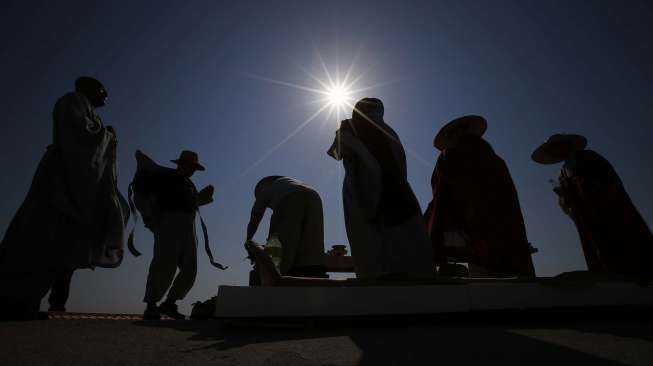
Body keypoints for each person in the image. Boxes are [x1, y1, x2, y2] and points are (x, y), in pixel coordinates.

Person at [0, 76, 129, 320]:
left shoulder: (91, 113)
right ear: (89, 89)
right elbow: (80, 137)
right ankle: (23, 299)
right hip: (61, 184)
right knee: (45, 241)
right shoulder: (72, 102)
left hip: (80, 189)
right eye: (102, 90)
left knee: (70, 247)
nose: (106, 96)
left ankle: (57, 303)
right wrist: (108, 136)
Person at [327, 98, 434, 279]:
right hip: (400, 197)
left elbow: (335, 153)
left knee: (372, 250)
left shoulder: (350, 127)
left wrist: (345, 135)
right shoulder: (391, 132)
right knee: (407, 253)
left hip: (365, 192)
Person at [424, 115, 535, 277]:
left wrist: (434, 233)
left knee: (485, 281)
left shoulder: (450, 155)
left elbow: (442, 196)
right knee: (512, 275)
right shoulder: (495, 159)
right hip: (507, 233)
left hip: (475, 234)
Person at [532, 134, 652, 281]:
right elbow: (567, 201)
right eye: (553, 149)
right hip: (588, 219)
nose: (556, 151)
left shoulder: (589, 157)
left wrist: (583, 188)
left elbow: (608, 181)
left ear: (567, 144)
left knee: (628, 245)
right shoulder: (563, 172)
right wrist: (565, 198)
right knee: (599, 251)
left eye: (557, 146)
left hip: (611, 211)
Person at [140, 150, 215, 320]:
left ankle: (170, 303)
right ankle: (151, 305)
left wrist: (201, 197)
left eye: (194, 167)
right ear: (181, 164)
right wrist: (152, 220)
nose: (192, 170)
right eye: (190, 166)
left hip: (188, 225)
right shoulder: (166, 178)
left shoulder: (188, 184)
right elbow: (153, 198)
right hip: (169, 223)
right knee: (164, 263)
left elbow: (189, 203)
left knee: (190, 267)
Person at [246, 176, 326, 277]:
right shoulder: (288, 183)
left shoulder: (265, 189)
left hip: (290, 198)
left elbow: (255, 217)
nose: (269, 206)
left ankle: (271, 281)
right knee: (311, 248)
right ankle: (312, 277)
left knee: (277, 249)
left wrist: (248, 241)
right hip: (314, 196)